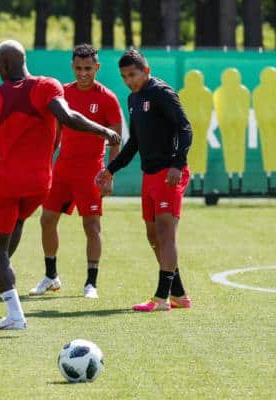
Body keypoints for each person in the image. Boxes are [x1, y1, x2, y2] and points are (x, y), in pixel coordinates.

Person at [0, 40, 120, 330]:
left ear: (3, 66)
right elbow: (67, 117)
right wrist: (103, 130)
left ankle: (14, 314)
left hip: (8, 182)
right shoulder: (48, 86)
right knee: (18, 220)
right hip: (40, 183)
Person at [96, 49, 193, 312]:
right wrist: (111, 169)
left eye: (133, 75)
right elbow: (135, 142)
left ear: (146, 71)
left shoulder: (161, 92)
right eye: (125, 76)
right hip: (149, 174)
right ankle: (179, 294)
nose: (129, 80)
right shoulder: (133, 99)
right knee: (153, 236)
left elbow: (185, 128)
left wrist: (177, 163)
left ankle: (161, 298)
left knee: (165, 232)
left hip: (169, 173)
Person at [29, 44, 122, 299]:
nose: (83, 73)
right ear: (72, 66)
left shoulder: (108, 98)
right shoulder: (63, 93)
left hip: (91, 171)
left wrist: (109, 173)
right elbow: (55, 133)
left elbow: (116, 139)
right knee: (46, 219)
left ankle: (91, 283)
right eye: (79, 68)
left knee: (91, 226)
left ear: (97, 68)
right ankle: (51, 276)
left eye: (88, 69)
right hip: (62, 170)